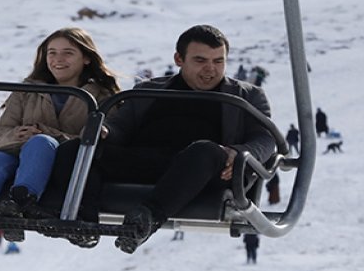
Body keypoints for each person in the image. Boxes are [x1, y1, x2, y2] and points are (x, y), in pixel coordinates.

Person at [88, 25, 276, 253]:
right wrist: (104, 131)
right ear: (179, 59)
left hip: (205, 172)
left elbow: (266, 139)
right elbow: (120, 126)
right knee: (76, 149)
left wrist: (239, 153)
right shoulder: (148, 90)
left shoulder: (247, 96)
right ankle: (79, 219)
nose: (210, 70)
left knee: (205, 150)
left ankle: (146, 218)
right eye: (200, 60)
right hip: (146, 162)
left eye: (218, 61)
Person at [0, 27, 121, 263]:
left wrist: (46, 133)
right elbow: (1, 133)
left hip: (64, 161)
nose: (58, 60)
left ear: (86, 58)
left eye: (68, 53)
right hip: (16, 151)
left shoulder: (101, 96)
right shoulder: (28, 90)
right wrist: (18, 133)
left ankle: (21, 201)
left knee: (40, 142)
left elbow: (98, 138)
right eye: (52, 53)